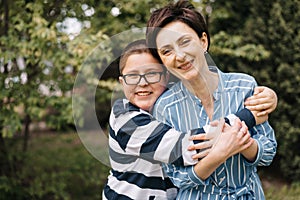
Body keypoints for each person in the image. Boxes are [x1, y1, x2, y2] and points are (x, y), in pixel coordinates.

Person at [102, 39, 277, 199]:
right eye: (132, 76)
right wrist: (250, 115)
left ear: (166, 77)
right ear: (121, 82)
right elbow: (186, 147)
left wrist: (268, 96)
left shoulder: (170, 108)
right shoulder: (124, 118)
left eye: (152, 74)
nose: (142, 83)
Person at [146, 0, 277, 199]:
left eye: (184, 42)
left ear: (203, 41)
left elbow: (268, 150)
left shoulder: (244, 86)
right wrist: (220, 153)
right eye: (167, 51)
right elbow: (177, 177)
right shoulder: (164, 108)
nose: (179, 56)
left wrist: (243, 143)